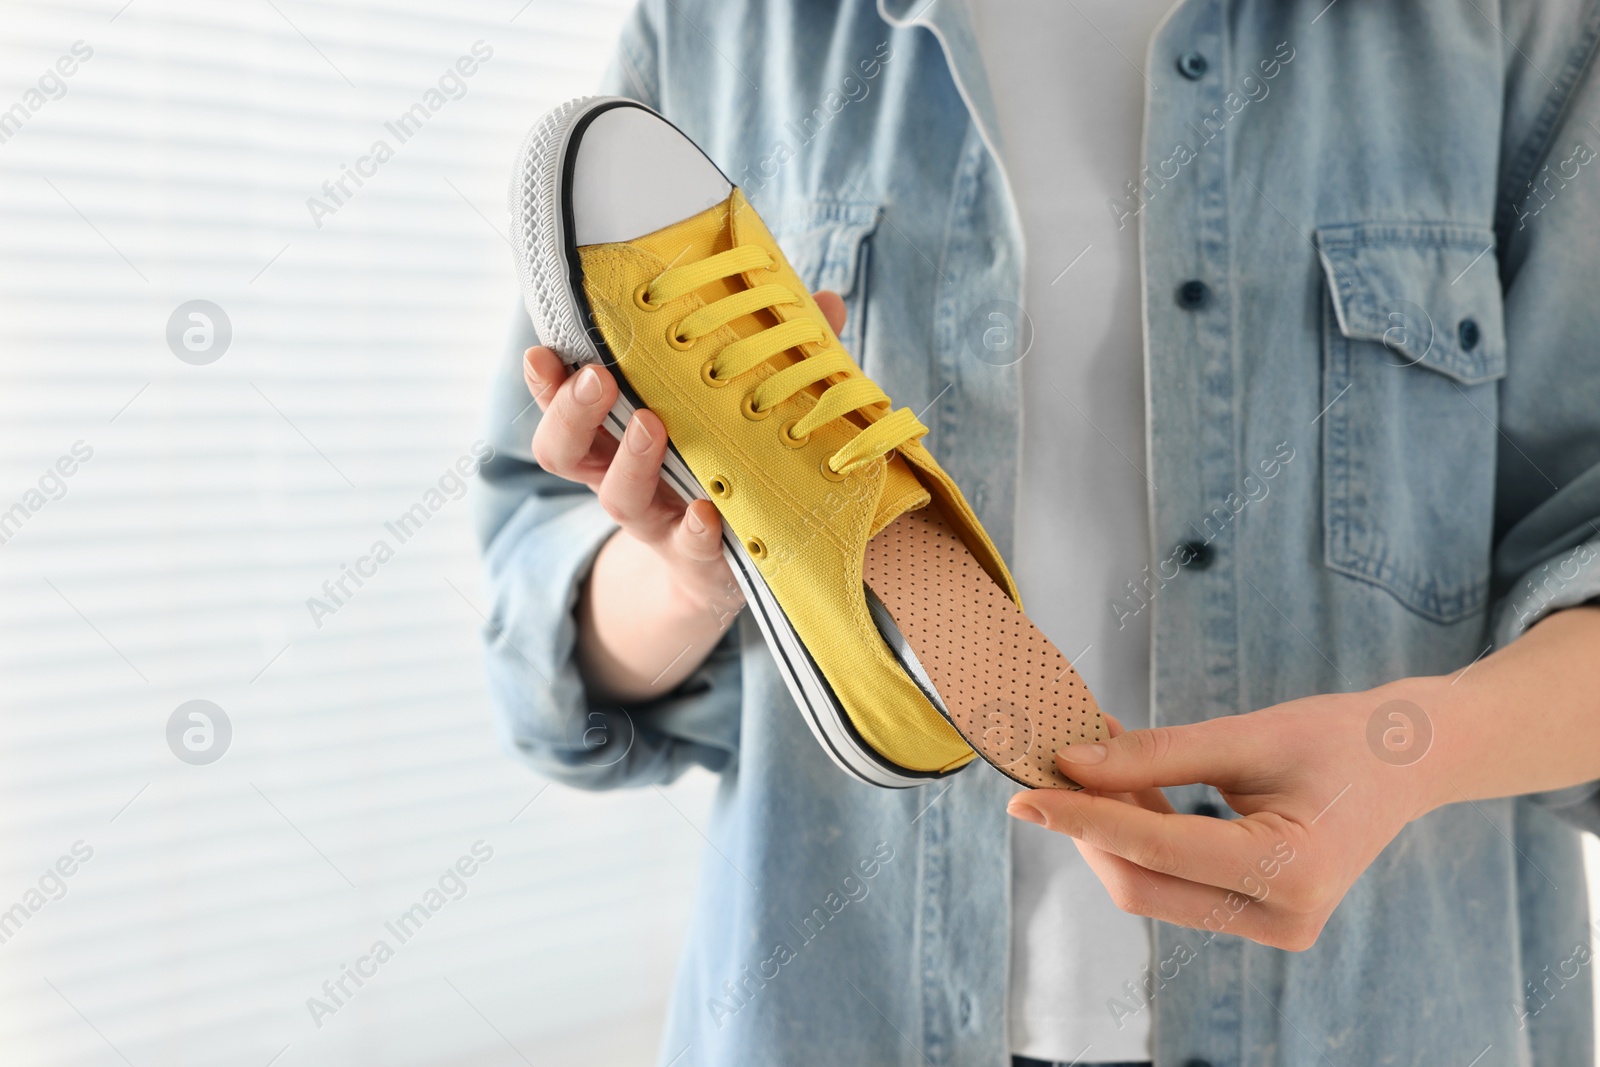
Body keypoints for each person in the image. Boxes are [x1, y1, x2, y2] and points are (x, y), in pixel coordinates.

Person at [474, 1, 1600, 1063]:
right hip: (829, 1000)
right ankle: (851, 632)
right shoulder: (734, 23)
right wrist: (685, 569)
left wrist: (1409, 748)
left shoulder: (1506, 23)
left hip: (1382, 1004)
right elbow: (538, 639)